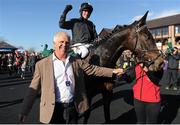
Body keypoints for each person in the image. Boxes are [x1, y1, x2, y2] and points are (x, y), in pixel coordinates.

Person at [19, 32, 124, 124]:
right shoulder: (42, 64)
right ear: (54, 44)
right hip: (53, 110)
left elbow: (93, 69)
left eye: (67, 42)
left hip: (72, 108)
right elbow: (33, 89)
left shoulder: (75, 61)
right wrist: (24, 111)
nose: (64, 44)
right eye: (61, 42)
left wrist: (113, 71)